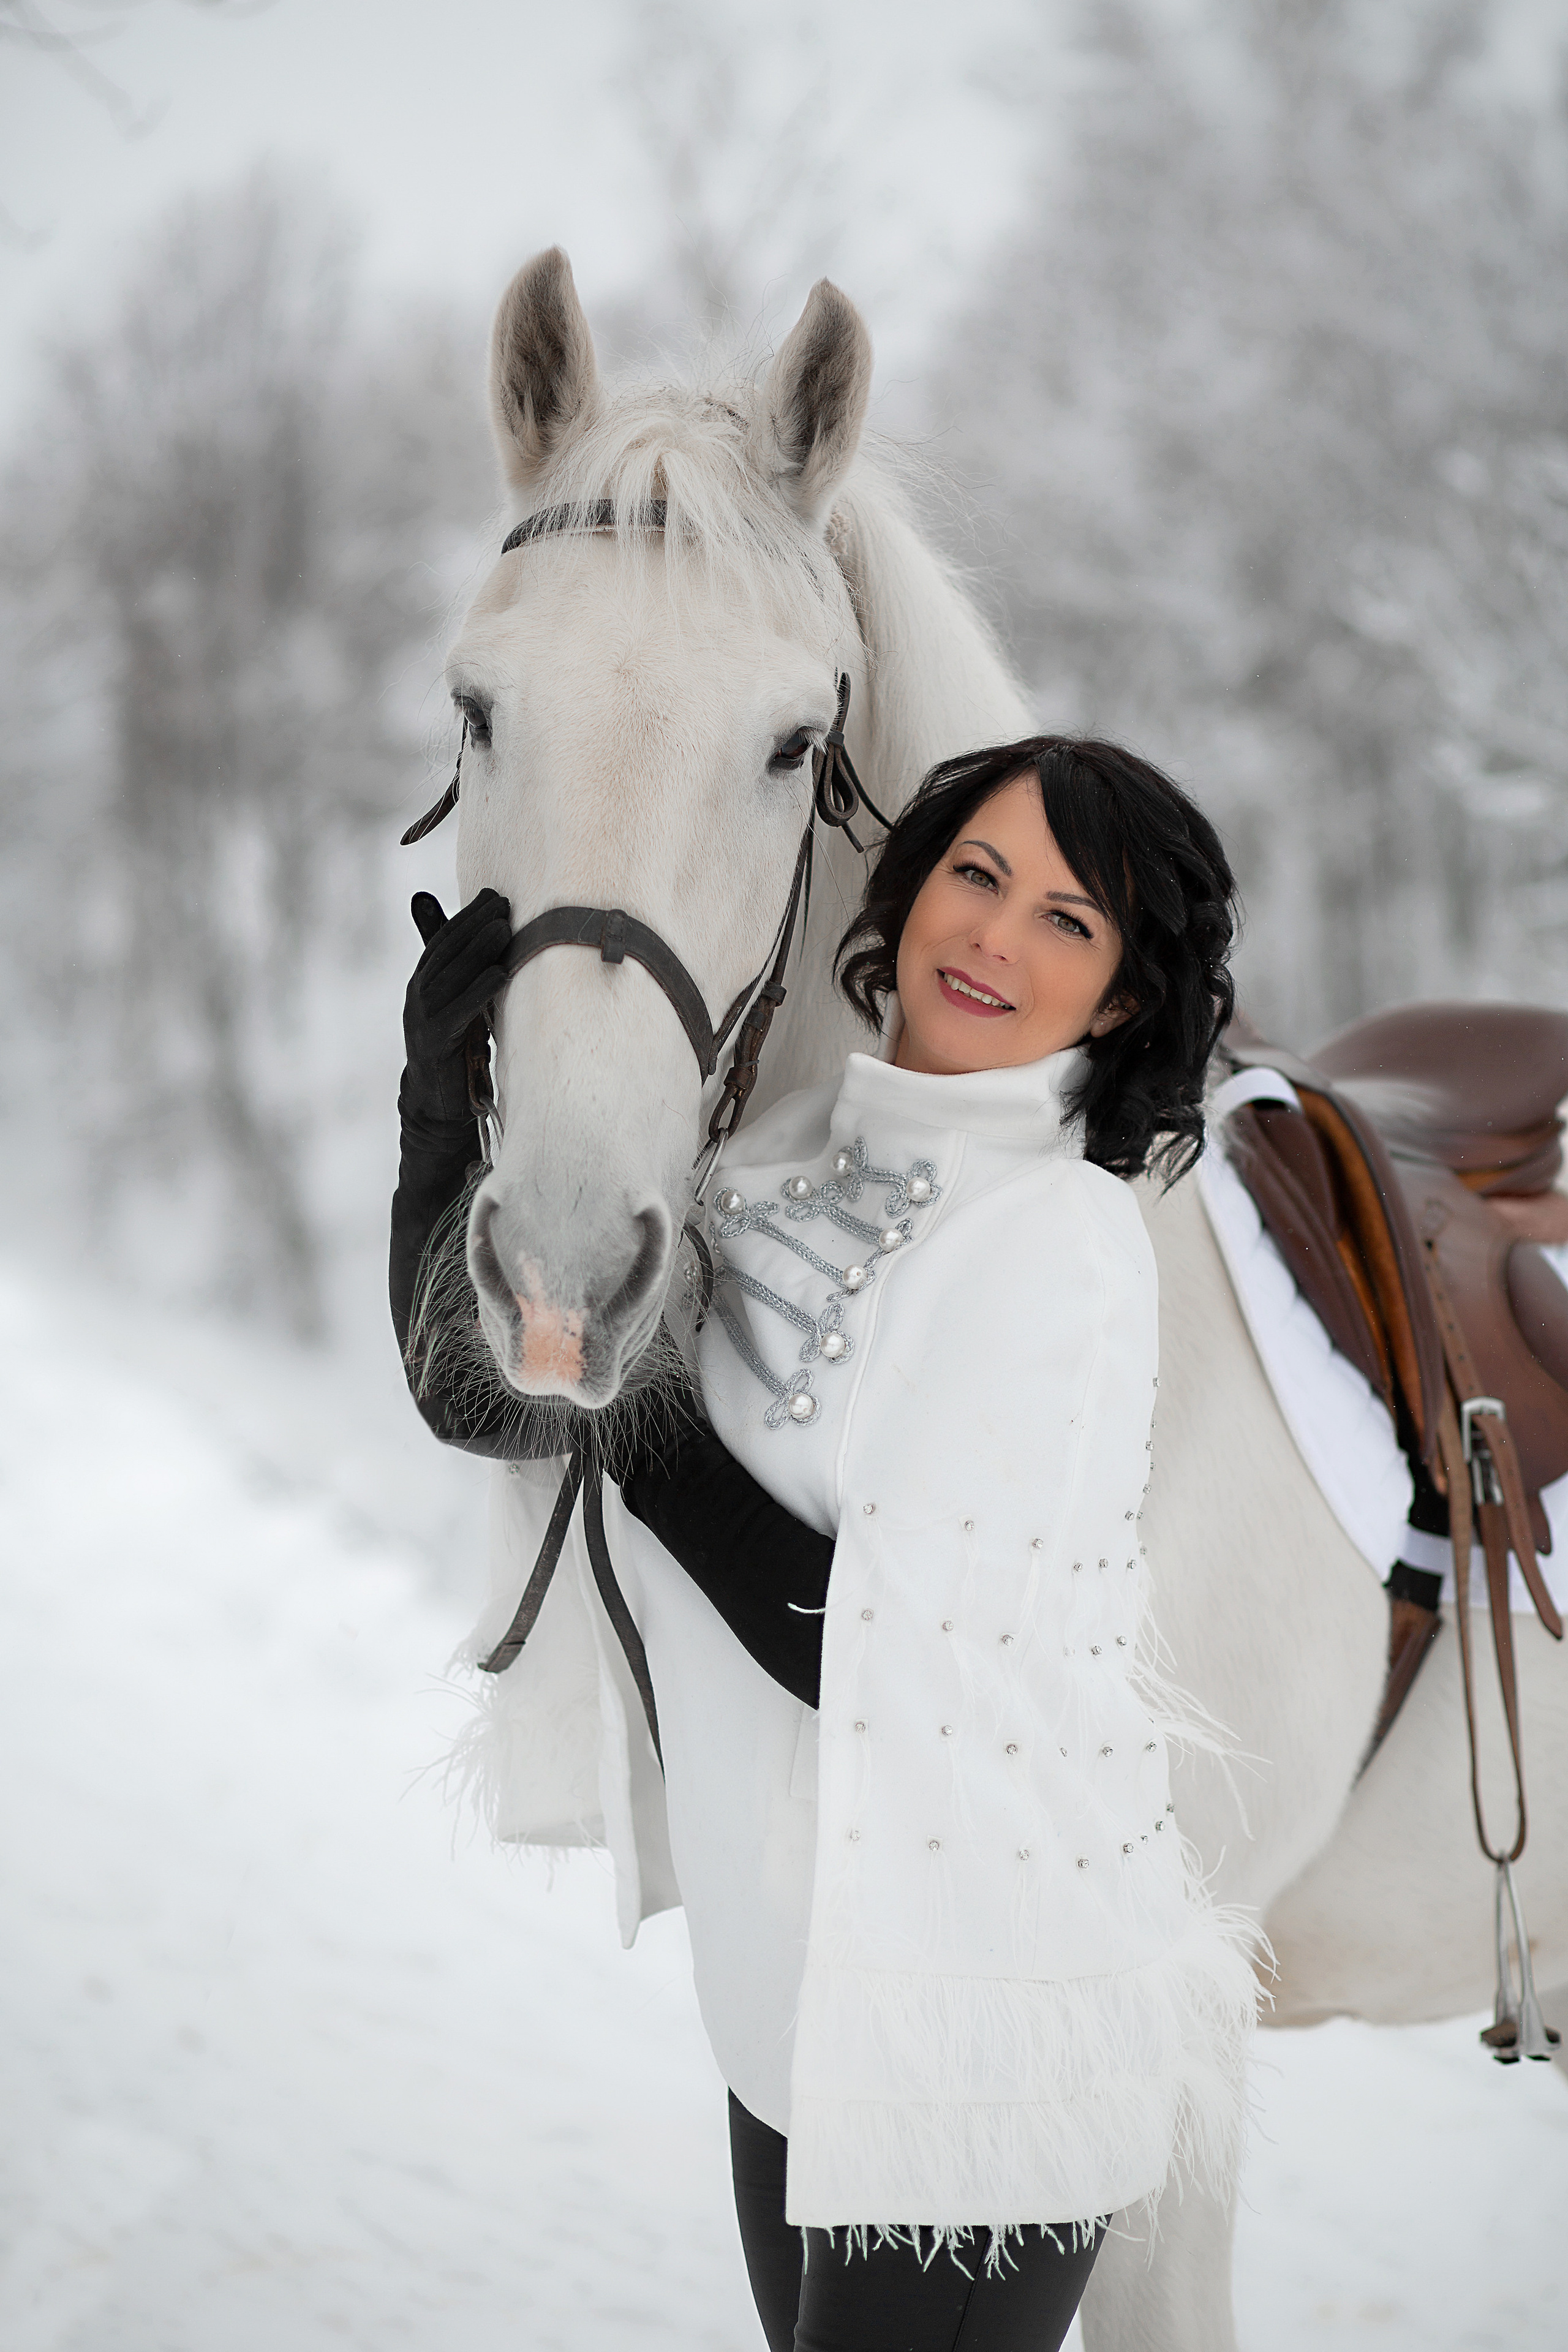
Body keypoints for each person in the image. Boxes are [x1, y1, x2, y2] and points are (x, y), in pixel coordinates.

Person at [390, 736, 1258, 2352]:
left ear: (1127, 999)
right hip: (786, 2006)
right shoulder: (775, 1158)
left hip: (970, 2025)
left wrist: (627, 1415)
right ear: (913, 885)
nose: (997, 939)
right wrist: (443, 1119)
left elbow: (863, 1643)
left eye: (1071, 922)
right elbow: (497, 1403)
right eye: (980, 876)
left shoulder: (1053, 1243)